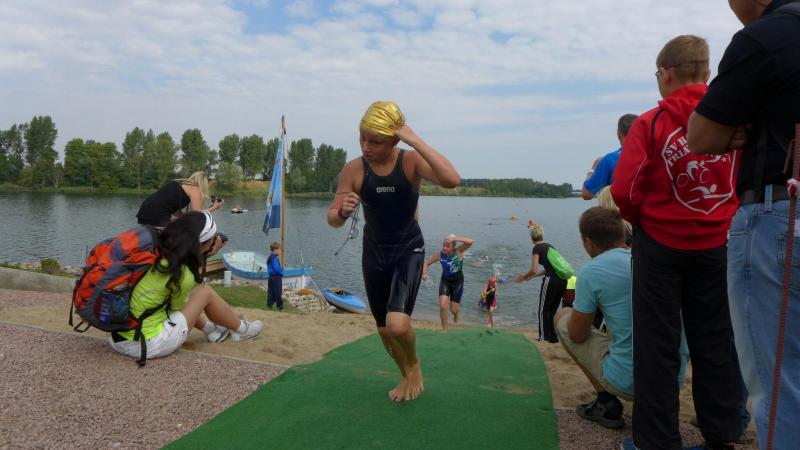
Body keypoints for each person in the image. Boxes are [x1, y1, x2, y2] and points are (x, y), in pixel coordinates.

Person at [611, 35, 740, 450]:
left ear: (666, 74)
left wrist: (641, 220)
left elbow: (624, 189)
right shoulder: (733, 121)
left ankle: (658, 442)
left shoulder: (651, 123)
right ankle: (722, 436)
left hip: (661, 247)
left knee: (657, 347)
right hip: (718, 242)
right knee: (715, 342)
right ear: (706, 72)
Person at [687, 1, 800, 448]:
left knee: (780, 384)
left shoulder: (766, 37)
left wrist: (739, 127)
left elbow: (701, 136)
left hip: (779, 212)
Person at [326, 101, 460, 403]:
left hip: (408, 248)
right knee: (384, 330)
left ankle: (414, 364)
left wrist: (415, 140)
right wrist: (342, 212)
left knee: (398, 324)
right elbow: (332, 220)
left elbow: (452, 180)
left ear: (394, 141)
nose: (366, 147)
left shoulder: (410, 162)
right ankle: (406, 374)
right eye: (362, 138)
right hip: (374, 252)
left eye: (375, 142)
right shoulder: (355, 169)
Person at [555, 207, 689, 431]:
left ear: (588, 242)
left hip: (628, 382)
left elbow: (577, 336)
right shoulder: (652, 262)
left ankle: (606, 402)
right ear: (622, 234)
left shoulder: (592, 271)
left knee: (563, 317)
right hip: (673, 379)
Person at [109, 211, 263, 360]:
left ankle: (212, 331)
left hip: (119, 338)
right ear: (200, 244)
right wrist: (203, 256)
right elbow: (178, 307)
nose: (215, 240)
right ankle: (244, 330)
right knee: (205, 292)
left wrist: (202, 252)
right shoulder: (182, 272)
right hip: (147, 344)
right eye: (213, 238)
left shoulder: (156, 252)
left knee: (187, 296)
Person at [515, 221, 570, 343]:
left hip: (551, 281)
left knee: (543, 310)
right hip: (562, 281)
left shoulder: (537, 248)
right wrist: (533, 277)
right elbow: (550, 268)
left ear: (532, 237)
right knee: (552, 310)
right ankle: (552, 338)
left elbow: (533, 269)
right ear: (542, 235)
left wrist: (523, 277)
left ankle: (543, 337)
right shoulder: (550, 247)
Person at [422, 234, 474, 332]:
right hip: (445, 281)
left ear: (453, 246)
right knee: (442, 306)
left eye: (447, 246)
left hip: (457, 282)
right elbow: (426, 263)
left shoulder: (458, 251)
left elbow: (471, 241)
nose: (444, 248)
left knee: (453, 310)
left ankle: (456, 314)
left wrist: (455, 238)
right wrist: (424, 273)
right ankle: (445, 330)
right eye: (443, 245)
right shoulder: (440, 254)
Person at [581, 114, 638, 200]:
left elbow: (586, 194)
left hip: (619, 208)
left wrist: (592, 169)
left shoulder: (610, 160)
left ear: (618, 133)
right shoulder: (652, 156)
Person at [137, 171, 224, 227]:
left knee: (153, 241)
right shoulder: (196, 189)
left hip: (144, 211)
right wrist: (214, 207)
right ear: (204, 183)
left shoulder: (182, 184)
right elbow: (197, 215)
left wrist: (184, 217)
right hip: (157, 215)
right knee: (169, 241)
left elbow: (172, 208)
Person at [266, 242, 283, 311]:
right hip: (276, 277)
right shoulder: (274, 258)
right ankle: (279, 306)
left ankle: (269, 304)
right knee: (278, 291)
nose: (280, 251)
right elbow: (276, 268)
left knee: (271, 291)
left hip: (271, 277)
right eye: (279, 250)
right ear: (275, 250)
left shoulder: (270, 257)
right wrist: (282, 270)